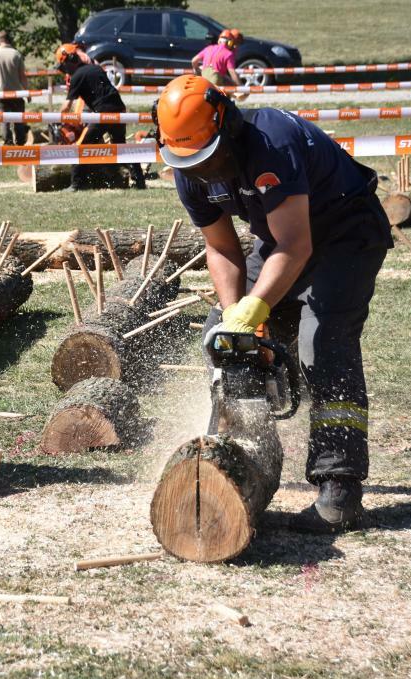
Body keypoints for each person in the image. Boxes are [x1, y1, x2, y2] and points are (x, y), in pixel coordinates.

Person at [155, 75, 392, 532]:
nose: (202, 170)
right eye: (190, 161)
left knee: (321, 342)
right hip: (281, 239)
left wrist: (256, 308)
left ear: (227, 124)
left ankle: (339, 486)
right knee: (221, 339)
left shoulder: (271, 146)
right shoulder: (189, 172)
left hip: (344, 230)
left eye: (207, 158)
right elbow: (223, 249)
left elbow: (296, 244)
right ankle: (246, 452)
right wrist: (234, 316)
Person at [55, 43, 146, 191]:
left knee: (82, 147)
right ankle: (139, 181)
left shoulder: (77, 76)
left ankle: (77, 184)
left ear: (69, 61)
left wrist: (56, 119)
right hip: (118, 109)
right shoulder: (95, 68)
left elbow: (66, 107)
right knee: (120, 146)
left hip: (104, 113)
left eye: (63, 65)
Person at [0, 30, 29, 146]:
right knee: (19, 120)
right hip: (16, 94)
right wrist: (27, 92)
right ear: (10, 40)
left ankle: (8, 143)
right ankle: (21, 143)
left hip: (1, 94)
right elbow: (23, 77)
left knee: (4, 121)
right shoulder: (17, 54)